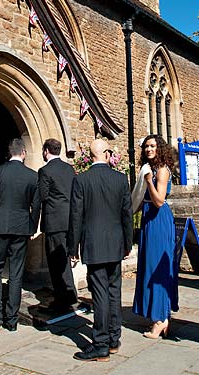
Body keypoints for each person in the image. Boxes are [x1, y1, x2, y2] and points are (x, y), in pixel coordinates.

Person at [68, 139, 133, 362]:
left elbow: (75, 215)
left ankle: (101, 344)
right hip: (115, 244)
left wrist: (73, 246)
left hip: (94, 244)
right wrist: (127, 243)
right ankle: (114, 339)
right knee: (113, 291)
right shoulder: (120, 178)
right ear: (105, 154)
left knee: (100, 294)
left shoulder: (82, 179)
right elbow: (127, 214)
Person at [0, 138, 41, 335]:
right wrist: (32, 227)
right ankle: (12, 319)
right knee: (16, 273)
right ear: (23, 153)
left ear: (9, 153)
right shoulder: (32, 176)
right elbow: (36, 206)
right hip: (21, 227)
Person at [133, 135, 180, 339]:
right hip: (150, 219)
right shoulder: (151, 168)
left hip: (158, 219)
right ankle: (163, 317)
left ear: (159, 148)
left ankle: (159, 320)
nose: (148, 149)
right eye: (146, 147)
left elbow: (159, 200)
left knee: (156, 269)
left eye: (152, 146)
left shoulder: (160, 170)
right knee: (151, 266)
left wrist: (149, 182)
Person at [38, 138, 79, 312]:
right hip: (69, 218)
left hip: (54, 220)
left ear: (46, 151)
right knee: (64, 259)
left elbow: (43, 196)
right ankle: (69, 293)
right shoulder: (69, 169)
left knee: (56, 261)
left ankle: (63, 297)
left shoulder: (45, 170)